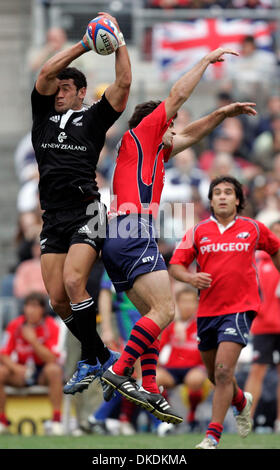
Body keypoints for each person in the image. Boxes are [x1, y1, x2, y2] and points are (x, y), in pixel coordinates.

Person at [100, 45, 257, 425]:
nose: (174, 132)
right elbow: (177, 97)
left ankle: (150, 386)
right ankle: (120, 369)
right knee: (167, 310)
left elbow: (189, 133)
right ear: (157, 123)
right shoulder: (144, 132)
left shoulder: (149, 150)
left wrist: (222, 113)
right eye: (169, 125)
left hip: (116, 235)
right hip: (133, 229)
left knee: (150, 315)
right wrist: (204, 61)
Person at [31, 11, 131, 395]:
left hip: (87, 211)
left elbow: (123, 82)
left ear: (80, 93)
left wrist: (118, 42)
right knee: (58, 300)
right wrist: (84, 44)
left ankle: (95, 359)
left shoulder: (92, 118)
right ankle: (100, 356)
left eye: (66, 88)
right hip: (52, 217)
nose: (58, 92)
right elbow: (43, 74)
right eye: (57, 88)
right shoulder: (42, 117)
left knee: (74, 282)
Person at [168, 175, 280, 449]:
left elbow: (275, 249)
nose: (222, 196)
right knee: (216, 375)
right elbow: (176, 266)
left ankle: (212, 436)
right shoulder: (198, 231)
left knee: (222, 372)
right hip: (207, 312)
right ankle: (241, 400)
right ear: (210, 200)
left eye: (228, 192)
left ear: (238, 199)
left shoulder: (254, 228)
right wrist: (192, 279)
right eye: (216, 192)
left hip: (241, 309)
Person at [0, 292, 64, 435]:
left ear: (42, 310)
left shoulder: (51, 326)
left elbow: (53, 359)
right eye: (27, 306)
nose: (30, 310)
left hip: (42, 371)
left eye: (35, 306)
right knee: (1, 372)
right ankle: (2, 421)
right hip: (21, 370)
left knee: (54, 370)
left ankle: (56, 420)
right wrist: (16, 368)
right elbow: (3, 354)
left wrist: (33, 341)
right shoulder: (15, 325)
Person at [156, 287, 209, 432]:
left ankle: (192, 416)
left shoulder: (202, 325)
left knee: (195, 379)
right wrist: (157, 364)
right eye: (183, 302)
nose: (187, 305)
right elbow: (159, 348)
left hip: (194, 368)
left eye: (191, 302)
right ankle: (168, 415)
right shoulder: (172, 325)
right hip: (173, 368)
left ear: (197, 304)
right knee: (154, 379)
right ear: (177, 304)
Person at [244, 220, 280, 433]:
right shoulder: (258, 260)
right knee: (256, 372)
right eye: (275, 232)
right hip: (263, 326)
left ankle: (278, 423)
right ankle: (246, 420)